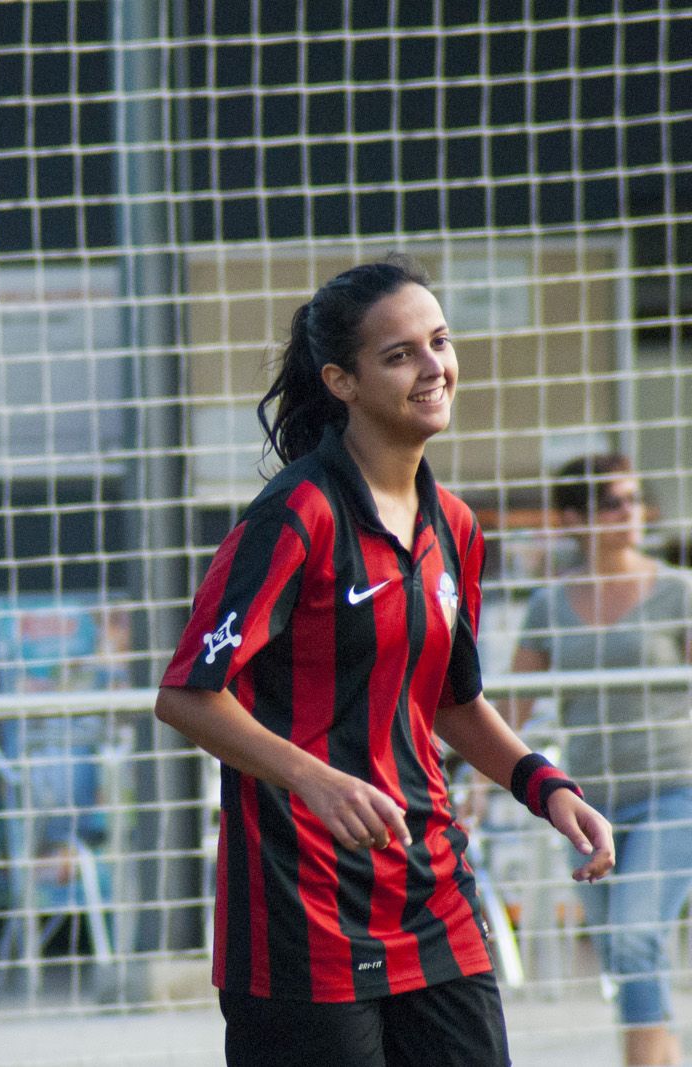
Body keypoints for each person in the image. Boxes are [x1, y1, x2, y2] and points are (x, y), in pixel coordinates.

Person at [152, 257, 616, 1067]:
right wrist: (317, 779)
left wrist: (547, 786)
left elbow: (451, 700)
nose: (434, 367)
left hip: (432, 892)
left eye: (439, 342)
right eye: (400, 353)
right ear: (343, 381)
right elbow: (188, 695)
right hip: (302, 914)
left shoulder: (457, 527)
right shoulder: (296, 514)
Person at [511, 454, 692, 1066]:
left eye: (635, 499)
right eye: (613, 503)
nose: (630, 513)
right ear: (574, 520)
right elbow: (508, 709)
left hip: (674, 788)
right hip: (586, 804)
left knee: (633, 937)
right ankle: (662, 1055)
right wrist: (472, 779)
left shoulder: (677, 591)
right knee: (624, 954)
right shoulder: (549, 605)